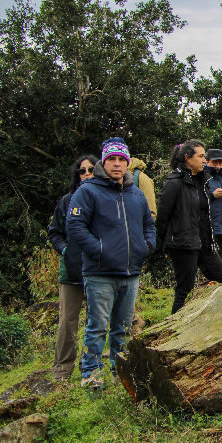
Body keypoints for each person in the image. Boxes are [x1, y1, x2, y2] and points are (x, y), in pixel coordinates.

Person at [66, 137, 155, 389]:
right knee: (98, 326)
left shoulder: (136, 194)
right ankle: (91, 374)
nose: (117, 165)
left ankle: (121, 371)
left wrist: (146, 246)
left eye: (121, 160)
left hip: (131, 272)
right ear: (103, 162)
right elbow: (74, 225)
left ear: (127, 163)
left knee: (124, 328)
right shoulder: (88, 191)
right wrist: (100, 250)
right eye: (112, 159)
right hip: (100, 272)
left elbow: (148, 224)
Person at [157, 139, 222, 314]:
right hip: (183, 245)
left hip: (205, 245)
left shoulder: (203, 181)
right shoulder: (174, 183)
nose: (204, 160)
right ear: (187, 158)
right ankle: (173, 333)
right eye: (200, 156)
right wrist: (164, 245)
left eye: (204, 156)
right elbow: (163, 217)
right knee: (184, 292)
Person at [48, 154, 98, 381]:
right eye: (82, 171)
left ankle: (91, 367)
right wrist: (65, 250)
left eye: (90, 169)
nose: (86, 174)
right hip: (70, 272)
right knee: (67, 323)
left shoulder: (105, 199)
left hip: (98, 270)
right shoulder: (67, 201)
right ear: (76, 175)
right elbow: (54, 232)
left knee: (95, 321)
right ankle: (61, 370)